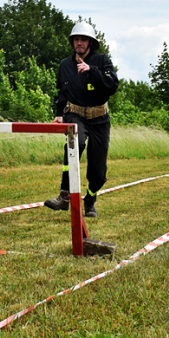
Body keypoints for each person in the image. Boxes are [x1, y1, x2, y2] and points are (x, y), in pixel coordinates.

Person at [44, 21, 119, 218]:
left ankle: (90, 199)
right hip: (74, 114)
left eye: (83, 39)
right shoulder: (65, 65)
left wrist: (92, 71)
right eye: (76, 39)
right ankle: (64, 196)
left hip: (100, 118)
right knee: (75, 143)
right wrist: (60, 114)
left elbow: (112, 86)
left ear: (90, 43)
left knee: (99, 172)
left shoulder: (102, 61)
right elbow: (62, 92)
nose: (79, 43)